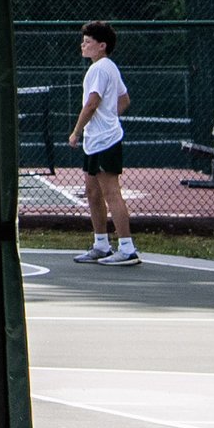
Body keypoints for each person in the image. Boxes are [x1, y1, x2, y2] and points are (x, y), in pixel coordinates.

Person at [66, 21, 138, 265]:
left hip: (105, 141)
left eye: (88, 42)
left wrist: (76, 131)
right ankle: (101, 244)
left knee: (111, 193)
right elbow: (123, 99)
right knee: (92, 191)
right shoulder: (106, 67)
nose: (83, 45)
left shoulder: (100, 69)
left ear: (102, 46)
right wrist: (108, 117)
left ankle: (127, 248)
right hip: (95, 141)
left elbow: (92, 103)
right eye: (83, 41)